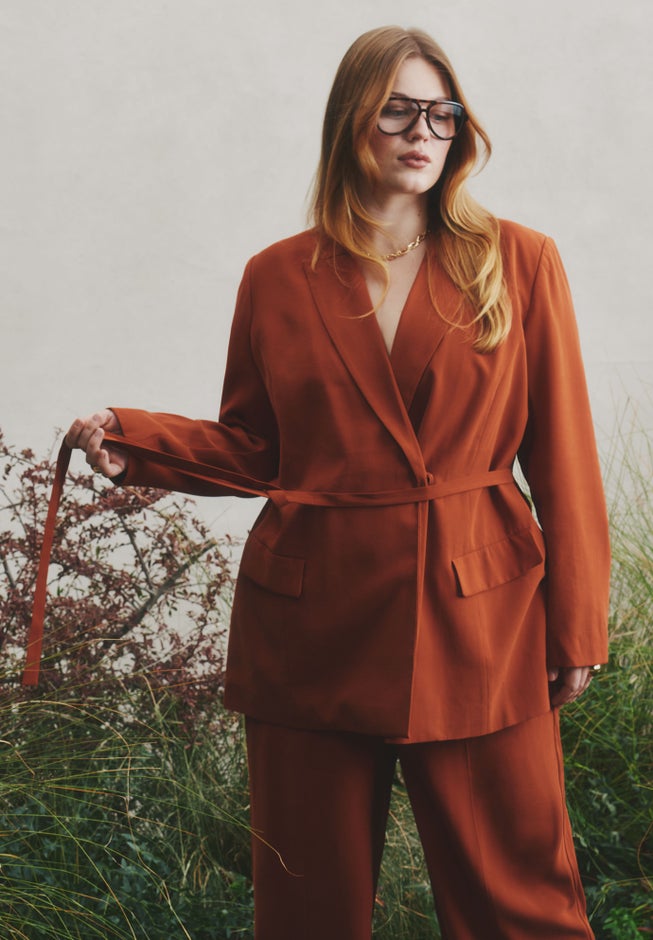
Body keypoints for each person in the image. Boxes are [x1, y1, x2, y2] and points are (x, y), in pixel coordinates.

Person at [65, 25, 610, 940]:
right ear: (350, 119)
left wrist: (576, 620)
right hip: (309, 623)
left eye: (442, 112)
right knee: (306, 911)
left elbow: (564, 455)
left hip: (480, 616)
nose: (422, 131)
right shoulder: (277, 277)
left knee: (519, 907)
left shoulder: (518, 260)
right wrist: (138, 444)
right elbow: (259, 448)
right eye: (396, 109)